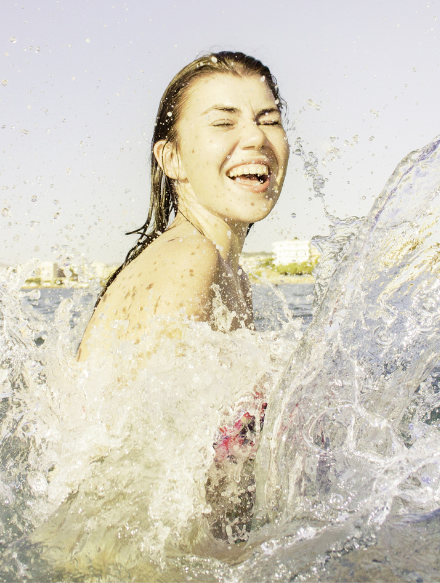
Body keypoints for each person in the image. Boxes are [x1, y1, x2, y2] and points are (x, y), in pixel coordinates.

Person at [75, 51, 289, 543]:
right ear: (172, 158)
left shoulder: (227, 272)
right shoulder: (189, 261)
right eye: (223, 122)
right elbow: (135, 483)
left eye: (269, 119)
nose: (255, 137)